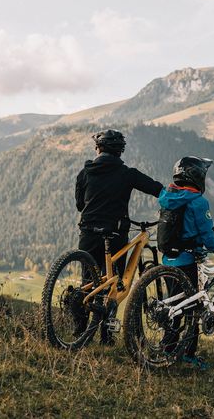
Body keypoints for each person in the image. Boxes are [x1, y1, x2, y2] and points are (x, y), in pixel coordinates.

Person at [75, 129, 163, 342]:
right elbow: (157, 189)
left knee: (88, 281)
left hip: (87, 233)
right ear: (120, 152)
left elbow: (80, 205)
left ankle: (80, 332)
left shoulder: (84, 173)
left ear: (98, 149)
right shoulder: (127, 174)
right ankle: (106, 336)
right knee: (114, 283)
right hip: (114, 235)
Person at [159, 155, 214, 370]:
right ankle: (188, 355)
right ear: (197, 176)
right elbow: (206, 237)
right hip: (186, 261)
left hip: (168, 260)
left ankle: (167, 346)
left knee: (175, 305)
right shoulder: (198, 202)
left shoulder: (170, 196)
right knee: (192, 308)